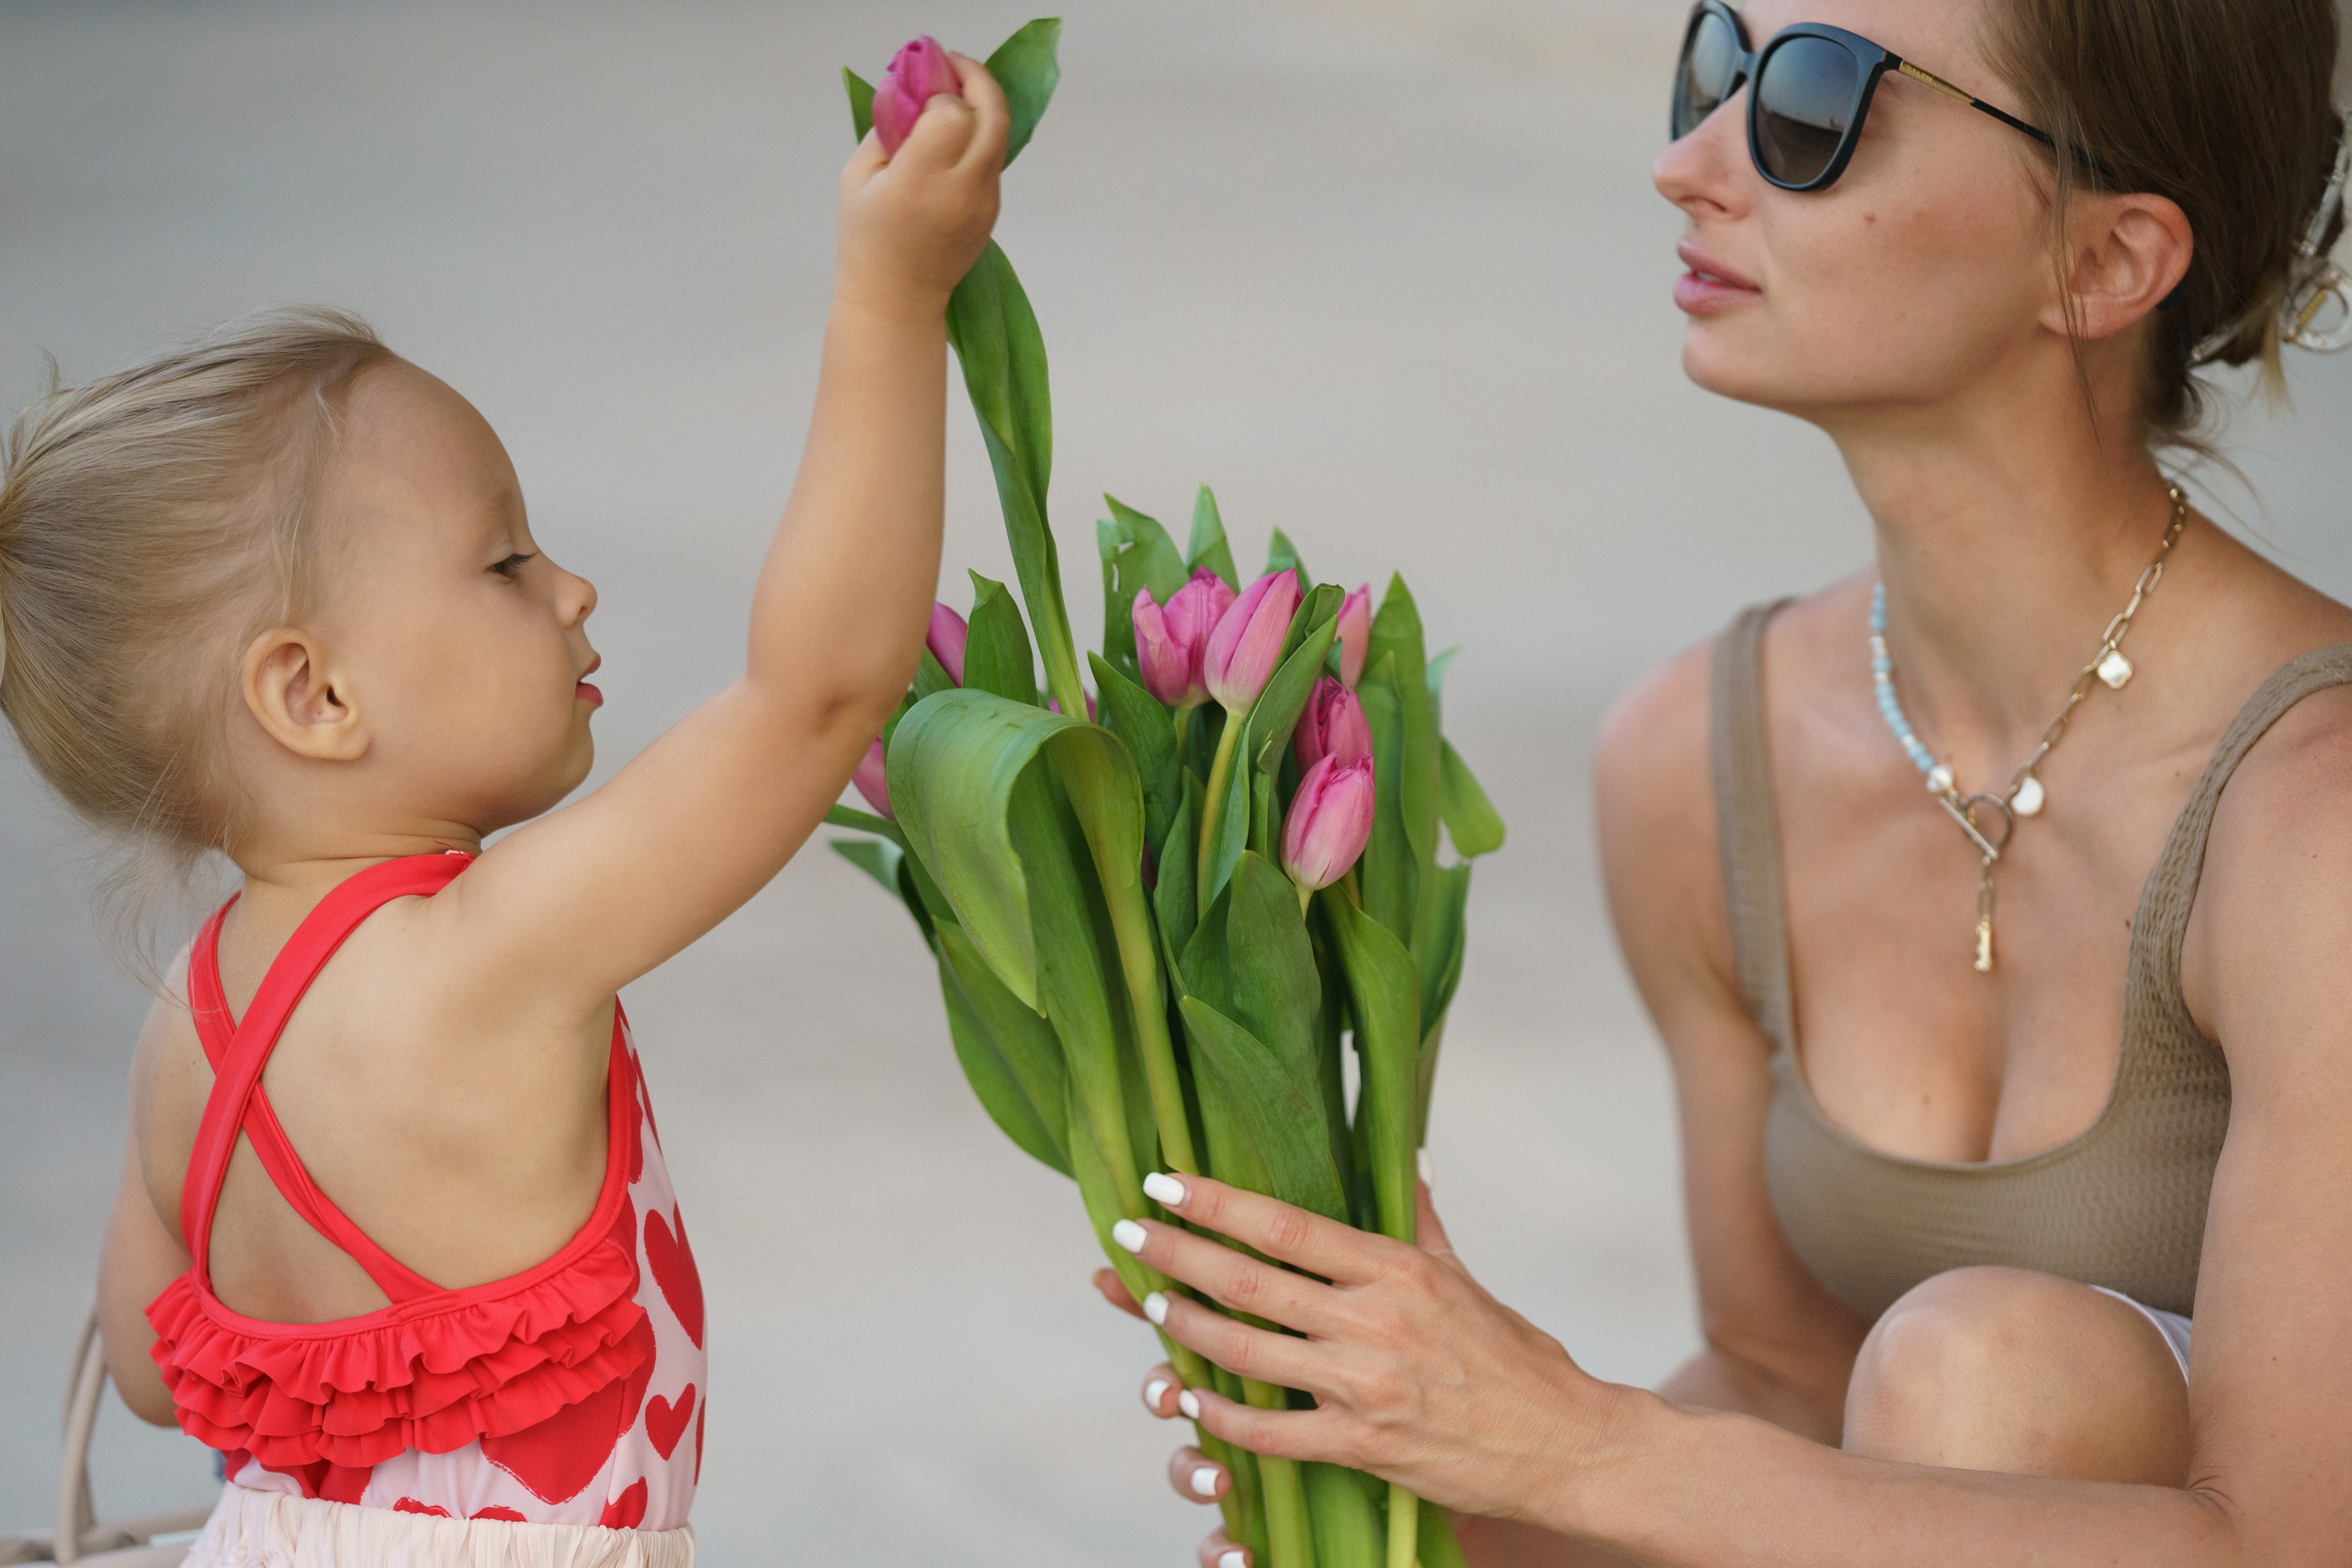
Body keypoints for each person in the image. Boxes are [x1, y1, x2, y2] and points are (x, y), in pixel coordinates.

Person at [1094, 0, 2352, 1562]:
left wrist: (1573, 1437)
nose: (1687, 163)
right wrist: (1420, 1495)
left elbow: (2295, 1543)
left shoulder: (2315, 818)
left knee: (1983, 1375)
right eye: (1713, 61)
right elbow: (1783, 1387)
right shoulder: (1702, 755)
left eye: (1813, 106)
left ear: (2103, 262)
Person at [0, 54, 1007, 1568]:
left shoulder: (188, 1028)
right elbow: (813, 698)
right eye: (505, 562)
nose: (574, 587)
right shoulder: (485, 955)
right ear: (312, 698)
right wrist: (892, 299)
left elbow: (158, 1368)